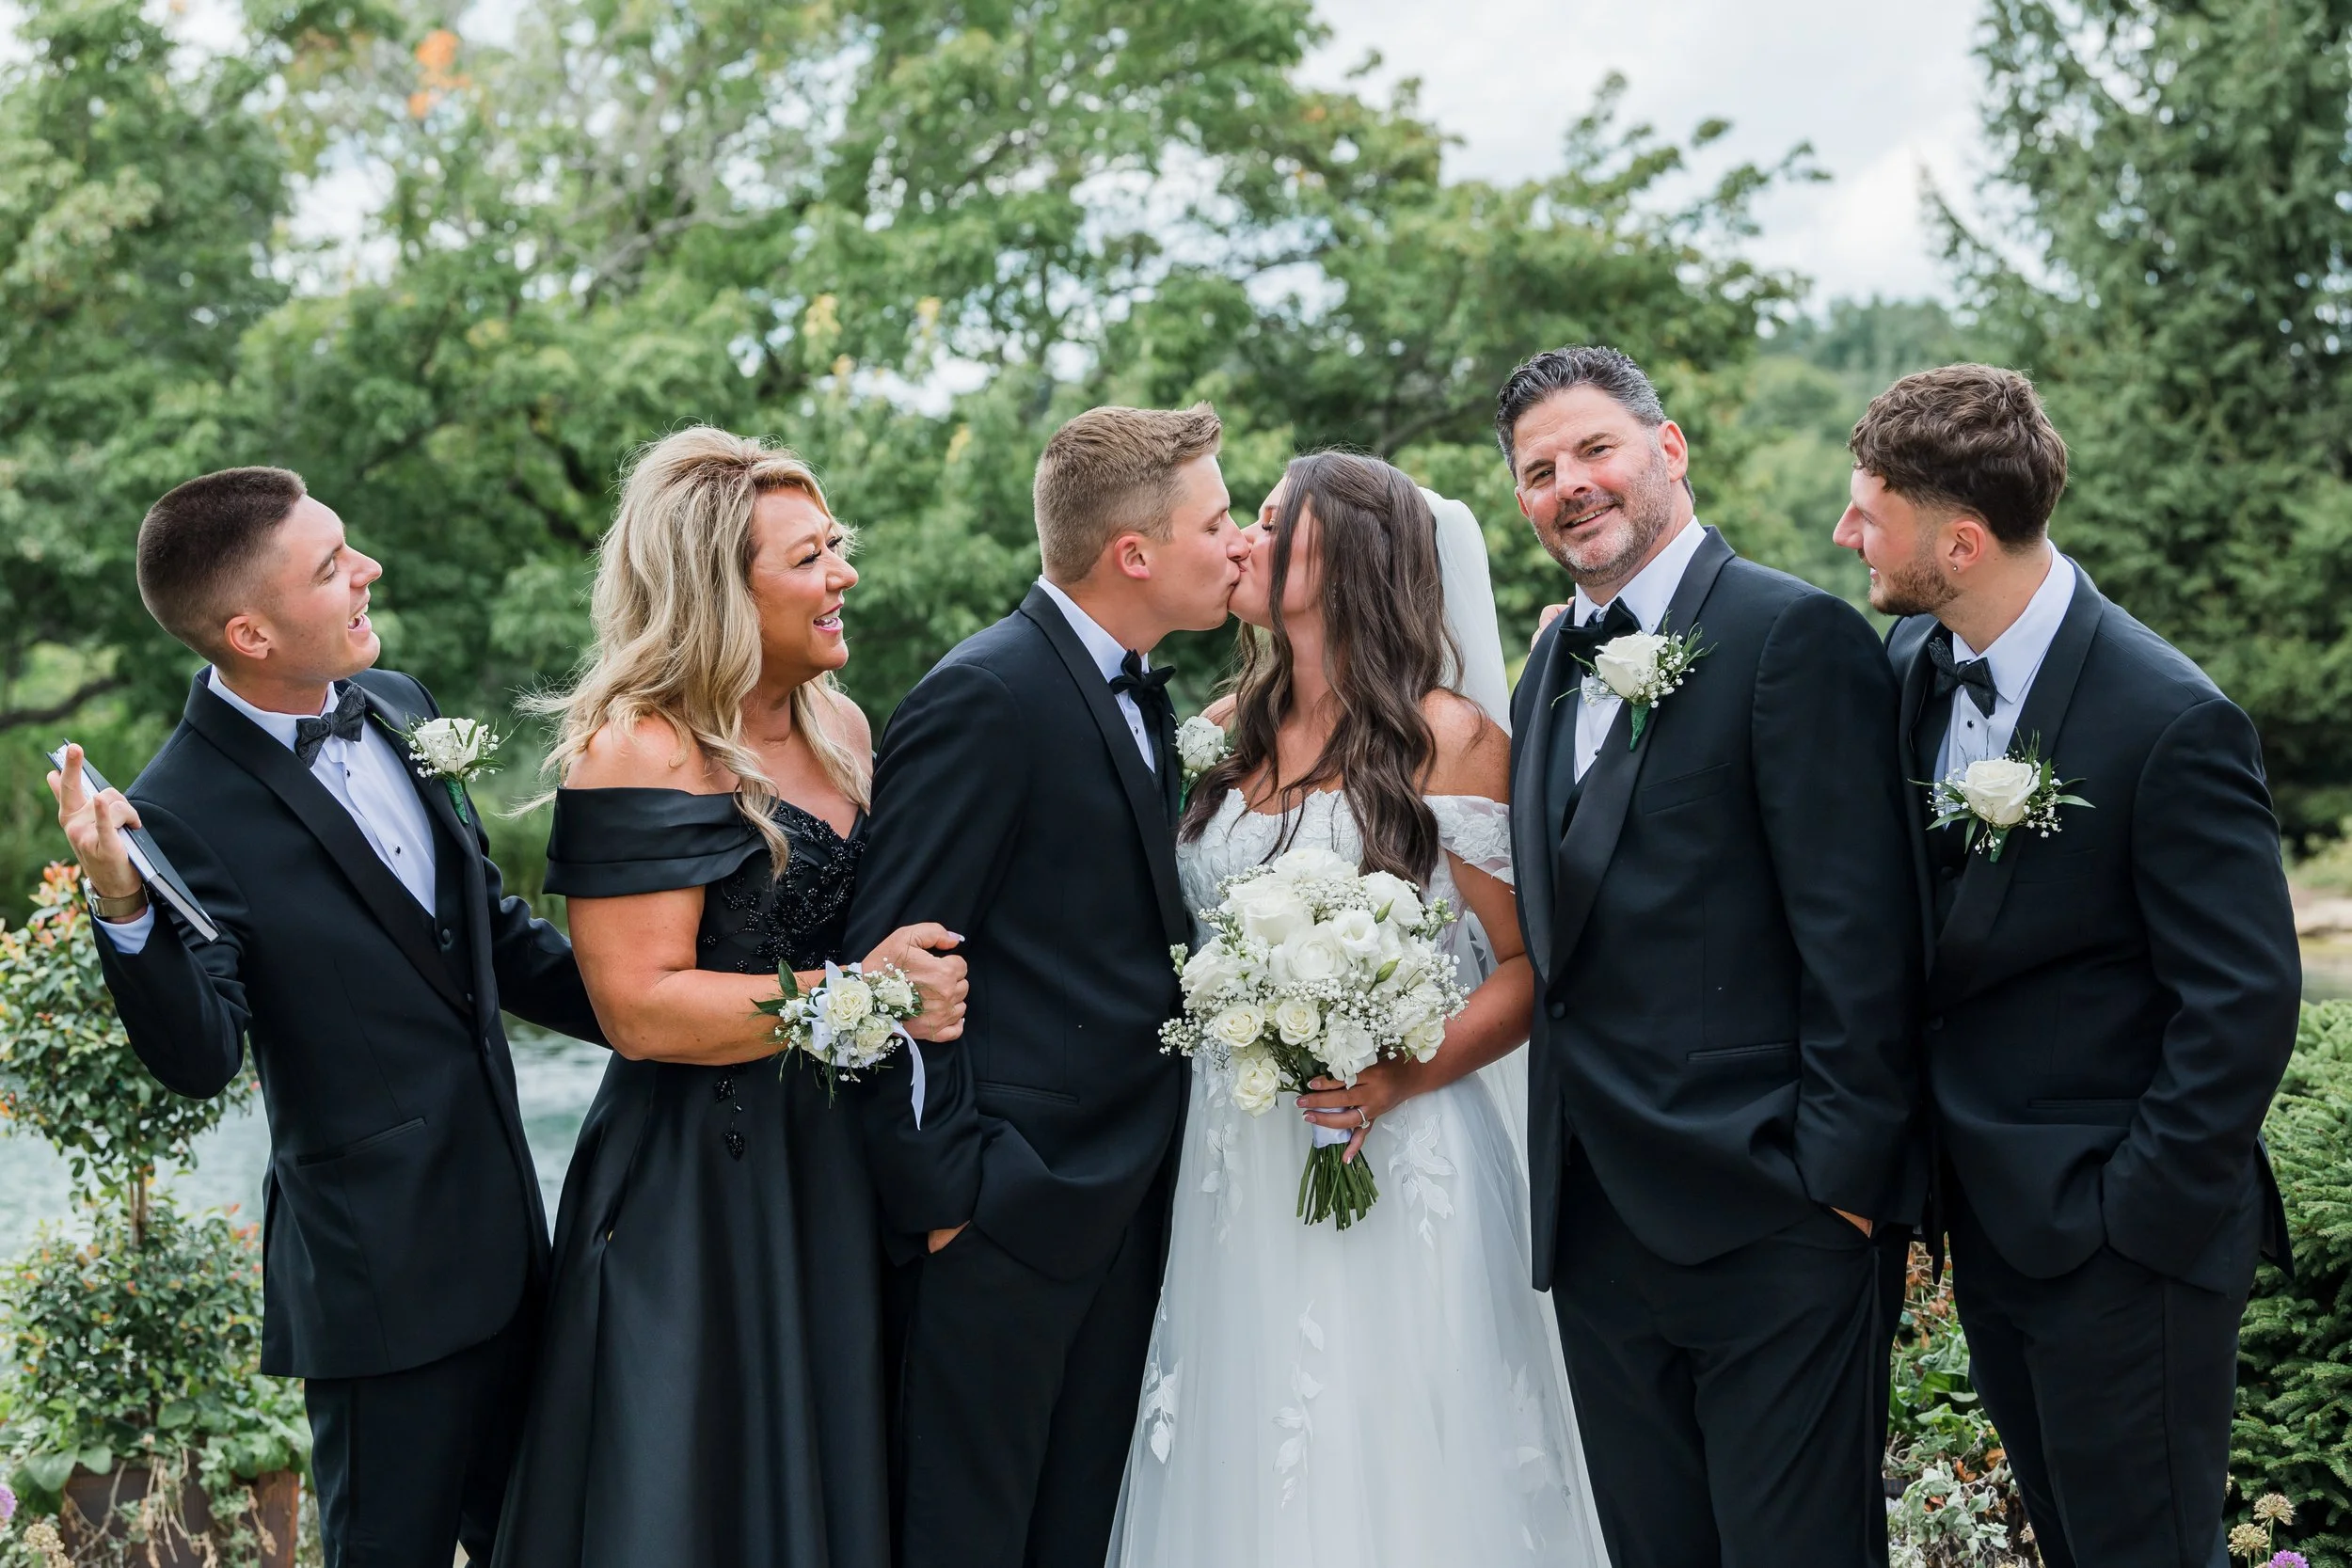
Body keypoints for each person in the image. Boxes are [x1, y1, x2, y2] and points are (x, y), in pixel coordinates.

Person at [46, 467, 605, 1568]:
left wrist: (672, 1009)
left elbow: (488, 935)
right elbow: (202, 1055)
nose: (367, 572)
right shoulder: (178, 810)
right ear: (249, 630)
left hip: (514, 1241)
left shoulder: (401, 702)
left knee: (552, 1540)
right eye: (331, 565)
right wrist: (119, 897)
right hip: (378, 1289)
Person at [1106, 452, 1612, 1567]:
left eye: (1273, 521)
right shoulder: (1226, 724)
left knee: (1392, 1441)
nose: (1240, 537)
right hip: (1233, 1148)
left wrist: (1396, 1073)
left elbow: (1528, 967)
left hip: (1398, 1145)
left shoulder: (1451, 736)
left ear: (1349, 558)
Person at [1836, 365, 2299, 1568]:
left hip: (2121, 1241)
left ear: (1962, 537)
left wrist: (2127, 1216)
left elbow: (2242, 1000)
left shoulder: (2170, 719)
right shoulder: (1908, 665)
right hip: (1986, 1219)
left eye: (1867, 512)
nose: (1846, 535)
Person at [489, 429, 966, 1568]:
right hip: (700, 1192)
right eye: (808, 558)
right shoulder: (638, 748)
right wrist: (862, 990)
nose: (842, 575)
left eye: (835, 546)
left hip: (842, 1172)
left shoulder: (841, 728)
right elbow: (640, 1006)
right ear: (720, 587)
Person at [1502, 346, 1921, 1567]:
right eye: (1539, 470)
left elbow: (1864, 942)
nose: (1570, 484)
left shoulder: (1792, 633)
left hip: (1773, 1221)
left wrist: (1836, 1193)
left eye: (1594, 449)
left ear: (1667, 449)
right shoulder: (1546, 668)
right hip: (1593, 1228)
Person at [844, 404, 1248, 1568]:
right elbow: (900, 960)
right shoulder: (986, 694)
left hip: (1123, 1194)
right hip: (1005, 1215)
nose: (1235, 543)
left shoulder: (1142, 688)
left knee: (1076, 1530)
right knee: (967, 1534)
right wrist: (949, 1198)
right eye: (1215, 521)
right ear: (1135, 552)